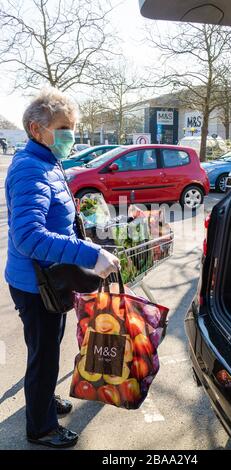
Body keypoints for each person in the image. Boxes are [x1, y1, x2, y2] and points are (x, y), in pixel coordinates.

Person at [5, 88, 120, 449]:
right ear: (35, 129)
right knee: (44, 353)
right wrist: (89, 255)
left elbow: (55, 220)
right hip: (35, 282)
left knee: (48, 346)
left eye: (72, 127)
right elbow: (29, 236)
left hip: (50, 278)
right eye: (63, 127)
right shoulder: (29, 169)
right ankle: (40, 427)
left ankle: (43, 400)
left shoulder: (47, 163)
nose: (70, 135)